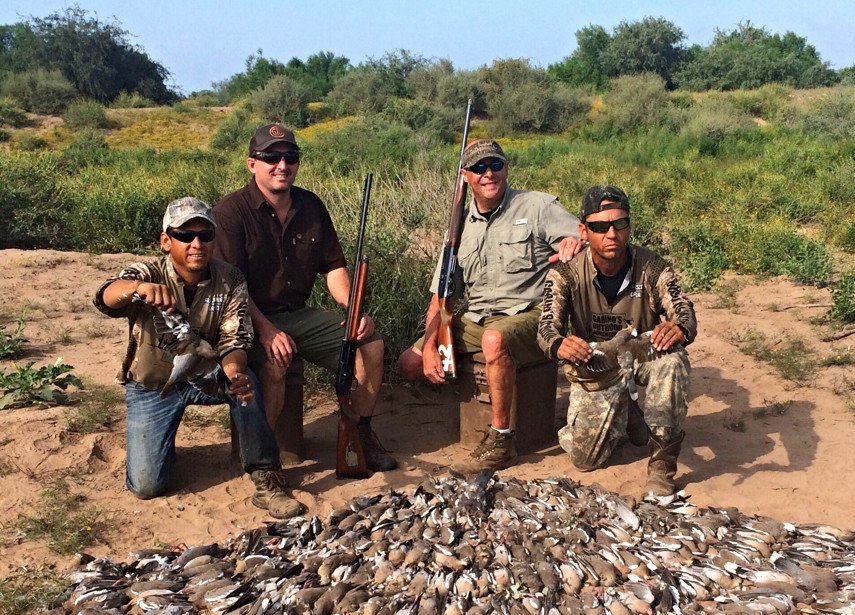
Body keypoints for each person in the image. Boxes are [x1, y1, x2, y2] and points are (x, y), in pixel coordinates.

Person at [93, 197, 306, 519]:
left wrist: (235, 374)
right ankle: (161, 446)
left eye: (205, 235)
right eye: (184, 235)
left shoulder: (230, 279)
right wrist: (138, 288)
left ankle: (266, 477)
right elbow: (107, 296)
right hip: (154, 385)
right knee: (147, 487)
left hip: (207, 376)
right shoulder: (146, 272)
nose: (196, 244)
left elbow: (236, 340)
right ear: (166, 241)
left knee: (248, 387)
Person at [212, 124, 396, 473]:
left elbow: (334, 270)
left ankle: (360, 431)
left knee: (370, 343)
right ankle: (264, 461)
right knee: (274, 364)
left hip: (295, 314)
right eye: (272, 157)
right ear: (252, 164)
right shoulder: (230, 213)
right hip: (245, 319)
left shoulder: (311, 205)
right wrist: (266, 332)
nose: (282, 165)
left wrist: (352, 309)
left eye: (290, 157)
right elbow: (233, 288)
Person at [396, 138, 584, 470]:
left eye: (495, 165)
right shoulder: (459, 227)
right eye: (479, 168)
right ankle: (466, 394)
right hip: (478, 317)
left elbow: (590, 237)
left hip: (533, 314)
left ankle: (501, 438)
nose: (489, 174)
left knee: (494, 340)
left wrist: (575, 242)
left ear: (506, 168)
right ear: (466, 176)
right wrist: (429, 346)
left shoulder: (536, 206)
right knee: (408, 363)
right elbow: (441, 298)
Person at [537, 184, 697, 499]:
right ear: (583, 230)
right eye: (600, 226)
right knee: (585, 461)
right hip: (598, 364)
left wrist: (679, 327)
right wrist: (560, 345)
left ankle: (662, 465)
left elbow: (683, 309)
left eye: (619, 223)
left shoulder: (652, 266)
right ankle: (627, 411)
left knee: (674, 360)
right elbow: (546, 328)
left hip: (643, 354)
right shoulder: (565, 274)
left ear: (629, 226)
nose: (612, 233)